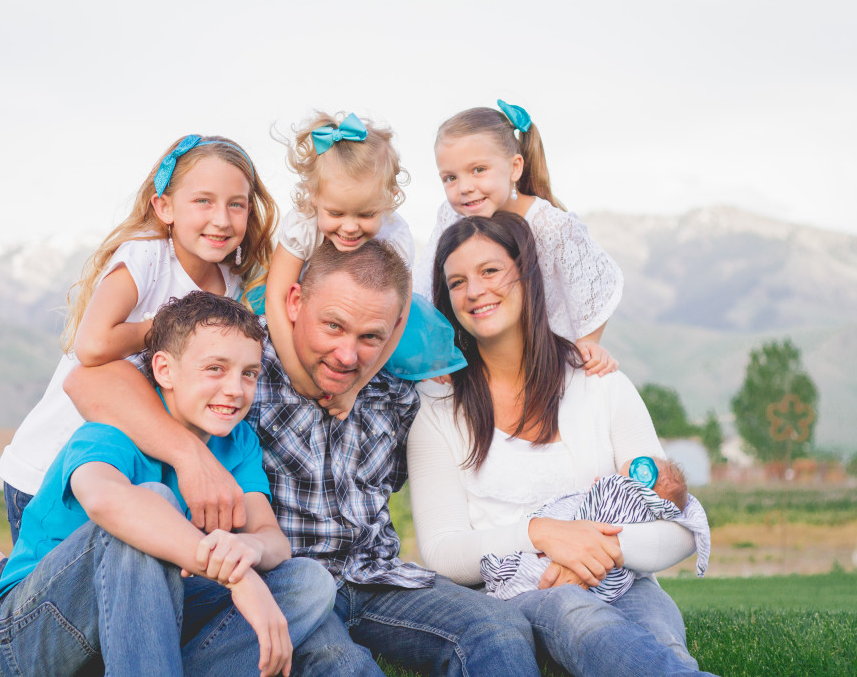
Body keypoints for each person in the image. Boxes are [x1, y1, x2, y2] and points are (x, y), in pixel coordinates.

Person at [66, 242, 546, 675]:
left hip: (376, 575)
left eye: (370, 337)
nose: (345, 354)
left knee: (498, 629)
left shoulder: (396, 392)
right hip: (284, 577)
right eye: (332, 326)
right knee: (342, 665)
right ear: (295, 303)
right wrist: (191, 455)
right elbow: (87, 381)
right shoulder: (244, 367)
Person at [407, 213, 713, 675]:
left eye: (490, 271)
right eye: (456, 282)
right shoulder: (436, 407)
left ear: (528, 274)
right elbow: (443, 552)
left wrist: (593, 551)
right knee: (573, 612)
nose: (474, 291)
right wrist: (541, 534)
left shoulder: (600, 385)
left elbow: (677, 522)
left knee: (662, 646)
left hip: (624, 581)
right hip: (522, 592)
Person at [0, 292, 335, 677]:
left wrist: (246, 546)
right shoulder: (112, 428)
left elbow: (272, 538)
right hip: (38, 631)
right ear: (164, 370)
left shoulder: (238, 441)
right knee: (149, 505)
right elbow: (104, 501)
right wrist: (235, 575)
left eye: (249, 373)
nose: (235, 389)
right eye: (215, 368)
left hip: (146, 625)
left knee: (309, 582)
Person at [0, 134, 277, 545]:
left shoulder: (232, 283)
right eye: (204, 201)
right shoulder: (146, 258)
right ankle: (0, 577)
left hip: (129, 458)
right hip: (55, 458)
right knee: (53, 571)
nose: (222, 219)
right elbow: (91, 346)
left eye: (237, 203)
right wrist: (166, 325)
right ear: (164, 207)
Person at [259, 111, 464, 419]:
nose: (350, 227)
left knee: (398, 360)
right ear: (314, 196)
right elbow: (276, 295)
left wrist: (356, 387)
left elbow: (399, 317)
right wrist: (296, 373)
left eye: (366, 215)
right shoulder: (302, 222)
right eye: (337, 214)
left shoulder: (394, 235)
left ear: (389, 199)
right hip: (315, 309)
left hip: (373, 316)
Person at [413, 100, 623, 377]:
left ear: (514, 168)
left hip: (546, 356)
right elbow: (427, 286)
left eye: (478, 170)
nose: (464, 188)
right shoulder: (451, 218)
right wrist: (435, 352)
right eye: (450, 178)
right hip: (482, 354)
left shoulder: (550, 225)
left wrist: (588, 343)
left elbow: (593, 287)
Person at [481, 456, 711, 603]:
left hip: (579, 567)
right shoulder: (649, 504)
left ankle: (504, 575)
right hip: (602, 587)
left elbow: (591, 522)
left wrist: (596, 547)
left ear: (642, 475)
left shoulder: (620, 492)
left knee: (532, 571)